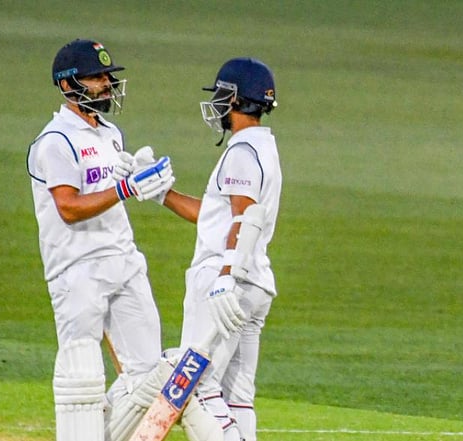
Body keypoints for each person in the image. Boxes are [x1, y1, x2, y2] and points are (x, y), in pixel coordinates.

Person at [25, 38, 176, 441]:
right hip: (77, 269)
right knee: (83, 379)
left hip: (124, 259)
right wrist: (126, 189)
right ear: (68, 85)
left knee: (149, 376)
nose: (107, 83)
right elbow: (69, 207)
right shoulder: (55, 141)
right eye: (96, 77)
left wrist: (144, 181)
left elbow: (110, 192)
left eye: (108, 76)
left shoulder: (111, 134)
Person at [156, 57, 282, 441]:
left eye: (223, 96)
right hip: (256, 282)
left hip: (225, 280)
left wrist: (226, 276)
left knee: (199, 387)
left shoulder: (241, 152)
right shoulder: (264, 147)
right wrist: (162, 194)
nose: (218, 106)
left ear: (237, 100)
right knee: (238, 395)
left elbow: (242, 220)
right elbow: (219, 216)